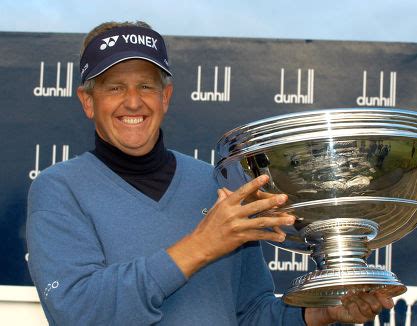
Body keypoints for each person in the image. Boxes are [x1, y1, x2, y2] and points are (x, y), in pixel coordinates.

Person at [26, 21, 394, 325]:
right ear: (88, 101)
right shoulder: (59, 190)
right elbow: (78, 311)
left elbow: (250, 313)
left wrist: (321, 311)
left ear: (165, 97)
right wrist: (202, 245)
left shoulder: (217, 185)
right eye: (115, 87)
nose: (133, 101)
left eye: (146, 86)